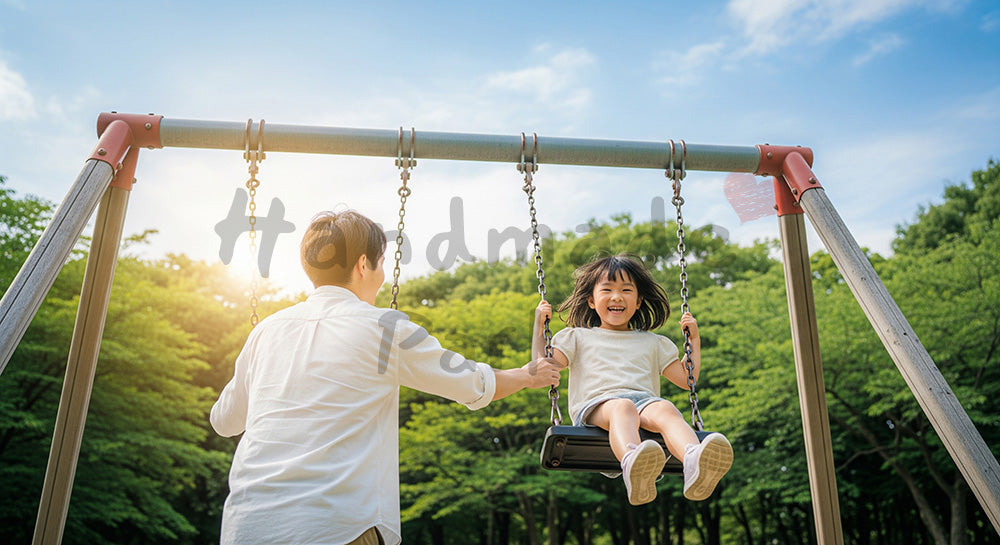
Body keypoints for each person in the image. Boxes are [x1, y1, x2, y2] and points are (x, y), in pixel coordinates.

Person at [211, 209, 561, 545]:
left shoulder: (266, 331)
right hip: (338, 527)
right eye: (380, 262)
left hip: (249, 525)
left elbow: (224, 421)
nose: (382, 274)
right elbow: (471, 383)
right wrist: (527, 375)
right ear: (364, 264)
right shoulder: (384, 328)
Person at [533, 253, 732, 505]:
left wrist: (694, 342)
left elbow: (686, 380)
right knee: (622, 406)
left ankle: (694, 460)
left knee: (666, 408)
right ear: (591, 301)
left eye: (626, 290)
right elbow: (542, 370)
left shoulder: (653, 342)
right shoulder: (577, 337)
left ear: (638, 301)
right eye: (607, 289)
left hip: (644, 404)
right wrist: (539, 330)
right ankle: (633, 462)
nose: (617, 296)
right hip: (597, 406)